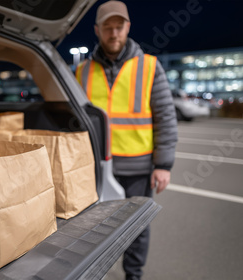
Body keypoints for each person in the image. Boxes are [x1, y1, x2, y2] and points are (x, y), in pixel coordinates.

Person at [75, 1, 178, 279]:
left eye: (118, 27)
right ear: (97, 30)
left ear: (128, 28)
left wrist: (163, 165)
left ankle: (134, 275)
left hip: (138, 167)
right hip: (95, 168)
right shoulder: (82, 71)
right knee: (93, 228)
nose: (113, 33)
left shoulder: (149, 67)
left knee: (136, 228)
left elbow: (166, 117)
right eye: (107, 27)